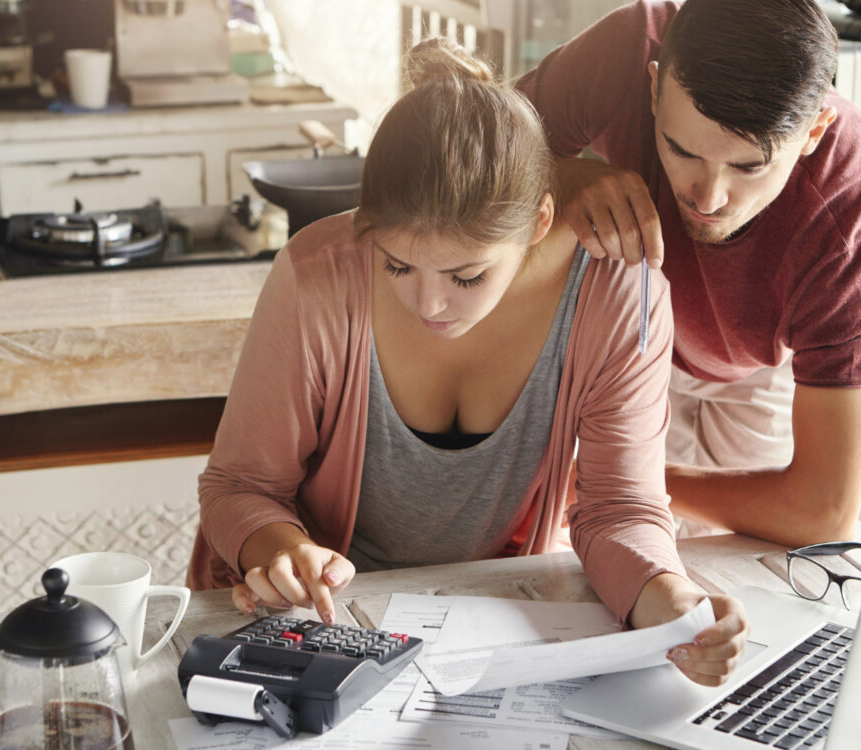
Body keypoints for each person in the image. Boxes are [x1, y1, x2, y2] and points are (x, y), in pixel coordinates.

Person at [187, 38, 748, 687]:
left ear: (539, 221)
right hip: (310, 626)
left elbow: (620, 508)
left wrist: (671, 603)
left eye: (467, 274)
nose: (429, 304)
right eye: (397, 264)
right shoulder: (320, 276)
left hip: (484, 624)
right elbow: (239, 488)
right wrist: (288, 555)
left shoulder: (619, 293)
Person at [516, 0, 861, 545]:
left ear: (814, 132)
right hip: (614, 335)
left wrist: (626, 485)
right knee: (575, 554)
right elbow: (460, 147)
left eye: (750, 166)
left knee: (746, 573)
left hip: (755, 370)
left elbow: (822, 511)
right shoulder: (629, 47)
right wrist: (556, 177)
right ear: (653, 91)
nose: (708, 198)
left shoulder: (850, 209)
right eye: (682, 149)